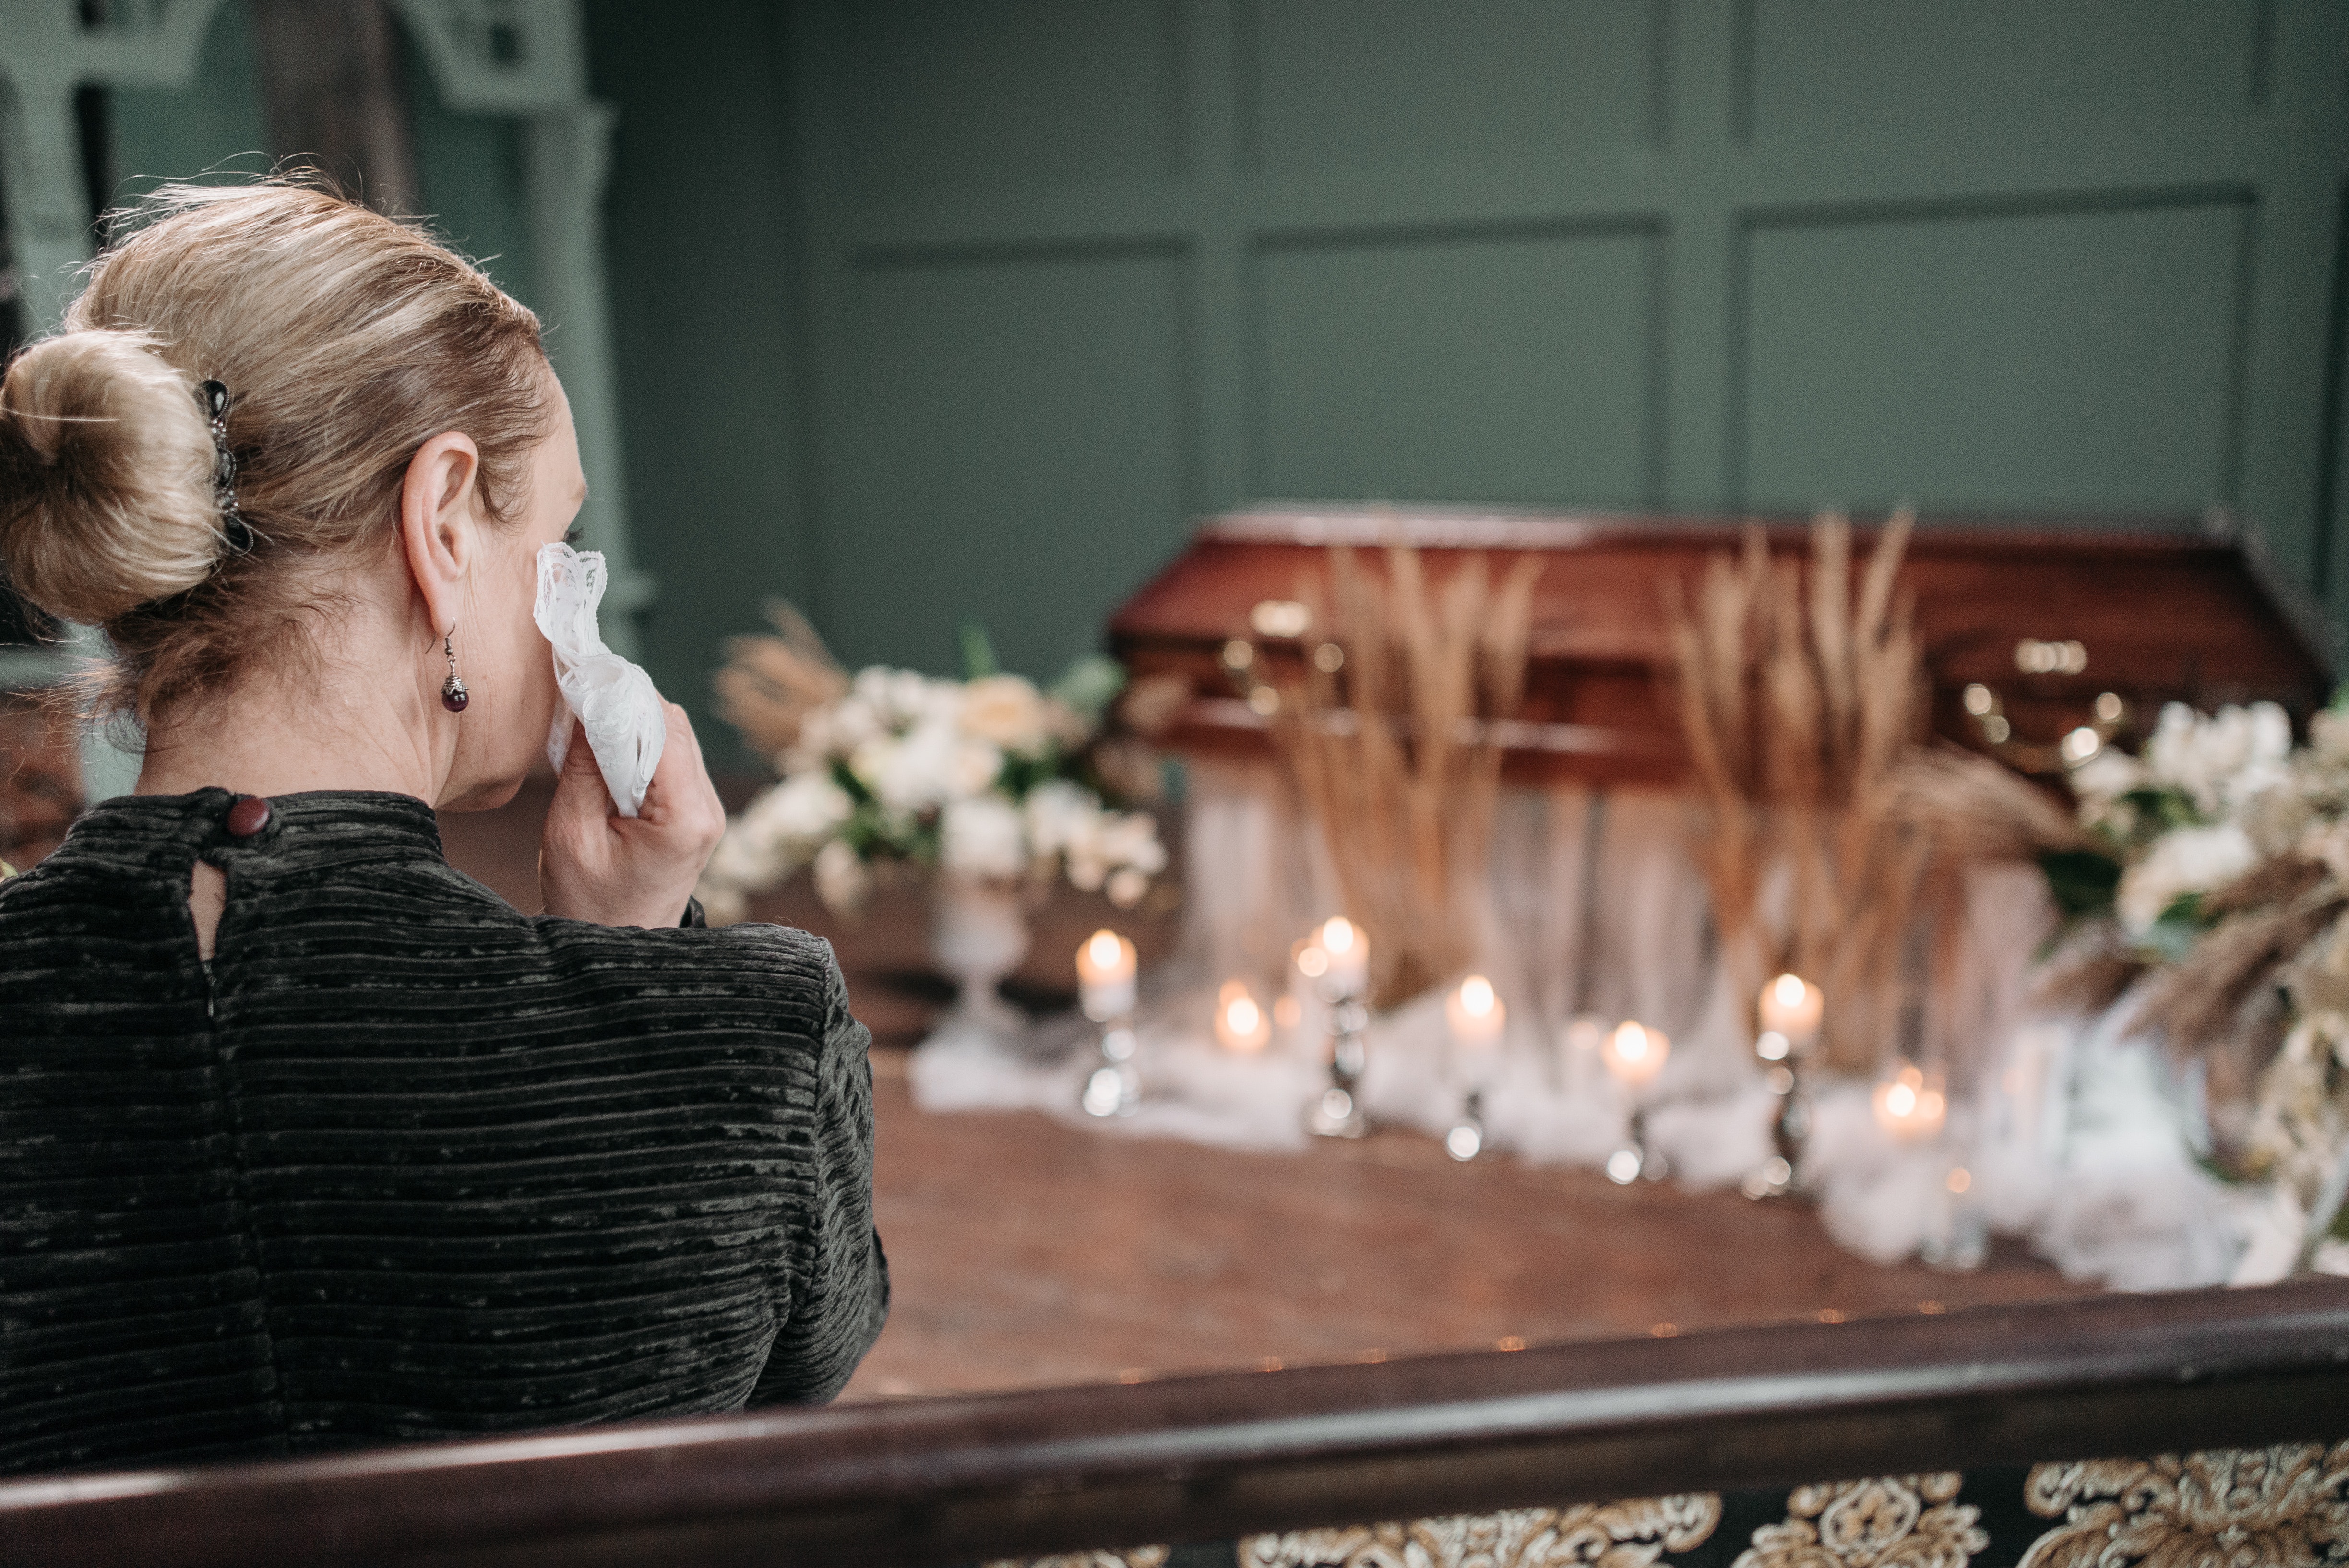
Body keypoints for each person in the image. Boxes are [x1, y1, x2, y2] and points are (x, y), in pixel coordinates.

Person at [0, 181, 887, 1476]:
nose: (570, 584)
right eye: (557, 532)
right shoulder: (740, 1045)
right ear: (443, 521)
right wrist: (638, 977)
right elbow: (788, 1386)